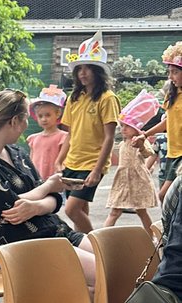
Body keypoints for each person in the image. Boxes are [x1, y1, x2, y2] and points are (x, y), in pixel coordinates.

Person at [0, 89, 96, 288]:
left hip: (53, 231)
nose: (27, 125)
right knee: (102, 275)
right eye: (25, 119)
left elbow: (54, 198)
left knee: (114, 263)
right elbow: (12, 207)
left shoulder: (17, 153)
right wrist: (47, 187)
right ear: (14, 121)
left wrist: (38, 206)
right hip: (19, 245)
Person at [54, 34, 120, 234]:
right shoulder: (74, 98)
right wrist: (59, 159)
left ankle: (97, 245)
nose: (83, 73)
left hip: (92, 163)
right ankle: (84, 248)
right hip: (72, 162)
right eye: (79, 68)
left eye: (88, 67)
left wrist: (96, 170)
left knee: (71, 209)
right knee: (81, 209)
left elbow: (109, 137)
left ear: (98, 71)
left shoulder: (108, 99)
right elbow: (70, 134)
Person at [104, 92, 159, 232]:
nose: (123, 129)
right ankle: (100, 237)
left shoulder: (140, 140)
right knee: (114, 211)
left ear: (137, 128)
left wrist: (140, 145)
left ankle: (151, 236)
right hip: (123, 181)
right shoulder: (123, 143)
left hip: (137, 180)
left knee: (141, 211)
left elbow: (149, 153)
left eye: (127, 126)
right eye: (122, 126)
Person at [135, 43, 182, 203]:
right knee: (168, 197)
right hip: (172, 153)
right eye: (169, 72)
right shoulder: (173, 95)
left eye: (175, 72)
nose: (170, 77)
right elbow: (168, 121)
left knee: (165, 196)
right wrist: (145, 134)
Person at [27, 86, 68, 181]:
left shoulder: (63, 137)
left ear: (58, 114)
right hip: (37, 181)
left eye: (48, 115)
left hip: (55, 181)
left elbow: (65, 160)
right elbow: (30, 161)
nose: (44, 119)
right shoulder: (33, 139)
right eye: (40, 116)